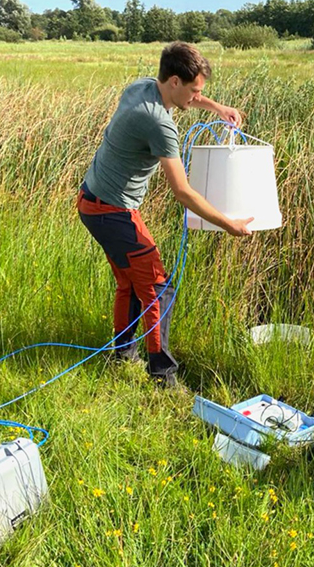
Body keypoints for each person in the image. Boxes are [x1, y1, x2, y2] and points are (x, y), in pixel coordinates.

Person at [78, 41, 254, 387]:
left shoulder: (142, 86)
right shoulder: (158, 123)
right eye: (194, 90)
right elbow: (183, 192)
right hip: (112, 210)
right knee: (159, 289)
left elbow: (188, 98)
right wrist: (228, 223)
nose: (196, 97)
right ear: (175, 82)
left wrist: (216, 107)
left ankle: (122, 354)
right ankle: (163, 375)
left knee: (130, 282)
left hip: (93, 201)